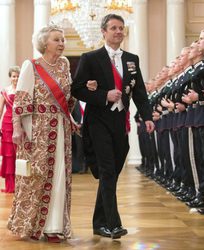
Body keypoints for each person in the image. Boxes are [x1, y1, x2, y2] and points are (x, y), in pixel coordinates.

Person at [72, 14, 154, 239]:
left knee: (112, 172)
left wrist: (147, 116)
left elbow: (139, 93)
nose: (118, 31)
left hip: (120, 122)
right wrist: (103, 95)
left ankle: (99, 223)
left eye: (121, 28)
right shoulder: (91, 58)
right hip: (98, 121)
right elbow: (77, 89)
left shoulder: (132, 59)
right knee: (108, 170)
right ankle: (113, 223)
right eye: (114, 28)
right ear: (103, 31)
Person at [7, 24, 79, 243]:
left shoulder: (65, 65)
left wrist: (72, 116)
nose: (61, 43)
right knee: (37, 175)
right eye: (57, 39)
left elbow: (68, 100)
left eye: (63, 39)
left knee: (60, 174)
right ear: (44, 43)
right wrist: (17, 128)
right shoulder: (32, 65)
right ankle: (32, 224)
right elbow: (21, 99)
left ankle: (54, 226)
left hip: (60, 128)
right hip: (37, 128)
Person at [0, 66, 20, 193]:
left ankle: (21, 184)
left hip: (20, 125)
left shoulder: (23, 90)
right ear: (10, 77)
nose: (16, 78)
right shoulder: (5, 91)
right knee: (9, 154)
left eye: (18, 76)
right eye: (13, 76)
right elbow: (0, 109)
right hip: (7, 124)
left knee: (19, 153)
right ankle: (10, 185)